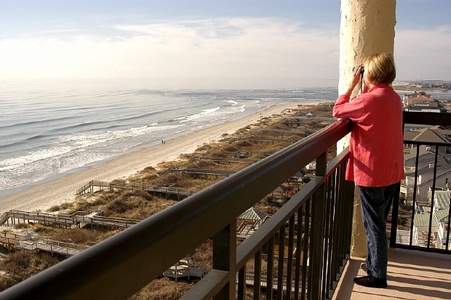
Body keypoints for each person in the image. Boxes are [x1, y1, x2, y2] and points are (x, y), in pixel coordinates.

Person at [333, 53, 405, 288]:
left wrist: (353, 84)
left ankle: (378, 275)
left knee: (373, 226)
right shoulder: (393, 97)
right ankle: (374, 263)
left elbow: (338, 110)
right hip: (392, 170)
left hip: (372, 173)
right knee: (377, 222)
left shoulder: (368, 100)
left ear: (370, 73)